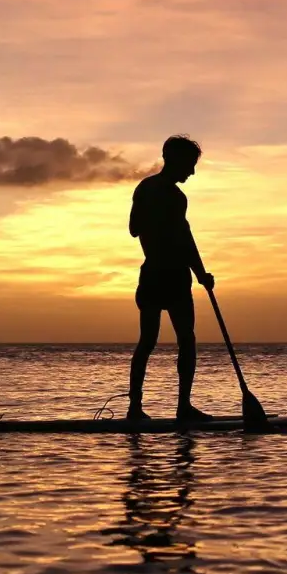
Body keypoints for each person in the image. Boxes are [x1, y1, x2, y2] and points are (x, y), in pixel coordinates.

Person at [127, 135, 215, 423]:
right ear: (173, 160)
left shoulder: (145, 188)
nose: (192, 172)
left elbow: (134, 229)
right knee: (185, 342)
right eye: (189, 165)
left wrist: (201, 274)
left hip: (152, 274)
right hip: (171, 277)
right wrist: (198, 272)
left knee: (148, 341)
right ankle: (179, 407)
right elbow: (183, 241)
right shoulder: (173, 197)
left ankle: (136, 409)